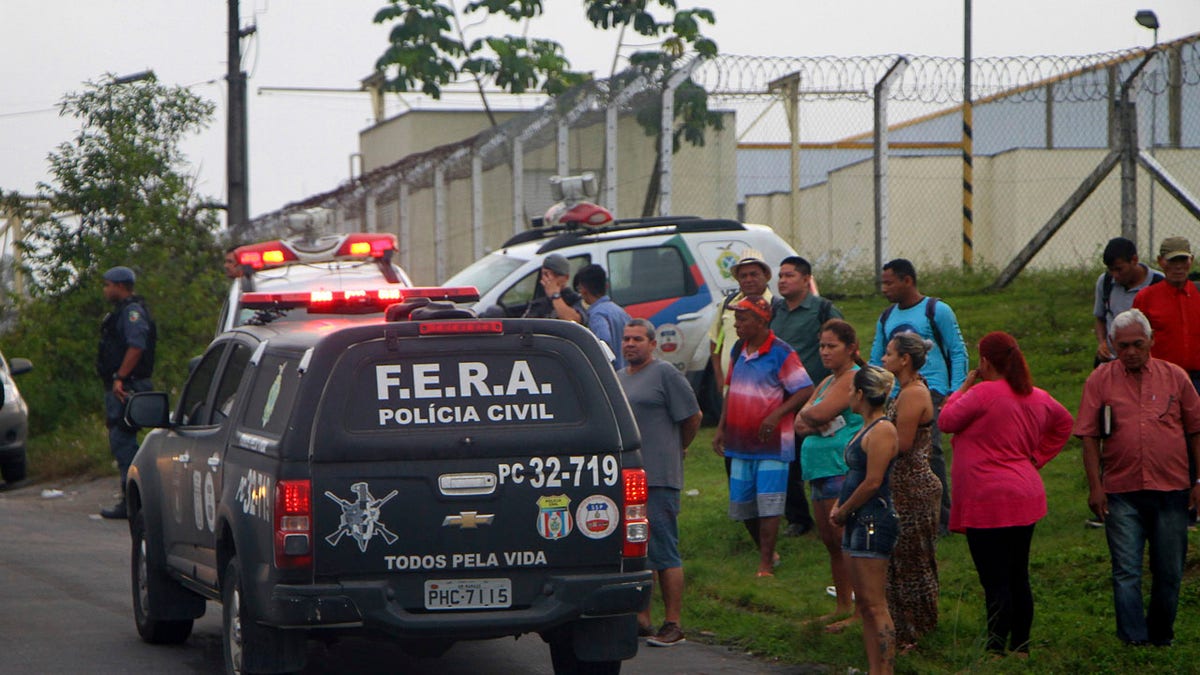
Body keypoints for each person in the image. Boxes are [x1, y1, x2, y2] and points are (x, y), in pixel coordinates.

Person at [938, 331, 1073, 656]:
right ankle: (1021, 645)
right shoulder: (1036, 395)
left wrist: (964, 387)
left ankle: (996, 645)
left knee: (994, 578)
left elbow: (945, 420)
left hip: (987, 498)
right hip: (1025, 495)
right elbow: (1065, 423)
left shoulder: (983, 393)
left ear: (984, 361)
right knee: (1017, 573)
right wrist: (1037, 457)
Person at [1074, 309, 1200, 647]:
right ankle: (1132, 640)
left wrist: (1198, 481)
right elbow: (1088, 435)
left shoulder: (1175, 377)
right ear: (1112, 344)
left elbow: (1196, 429)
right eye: (1123, 345)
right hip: (1121, 490)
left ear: (1151, 342)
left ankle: (1161, 636)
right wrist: (1096, 487)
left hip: (1172, 489)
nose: (1130, 352)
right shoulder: (1100, 380)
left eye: (1137, 344)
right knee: (1126, 570)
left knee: (1170, 571)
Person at [712, 295, 813, 577]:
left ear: (760, 320)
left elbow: (805, 390)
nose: (737, 324)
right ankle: (767, 552)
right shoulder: (737, 350)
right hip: (740, 441)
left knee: (769, 504)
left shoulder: (782, 352)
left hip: (771, 444)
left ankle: (766, 563)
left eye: (742, 319)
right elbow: (730, 390)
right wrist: (721, 428)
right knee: (742, 505)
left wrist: (776, 414)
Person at [618, 319, 703, 648]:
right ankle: (642, 618)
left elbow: (693, 416)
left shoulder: (665, 374)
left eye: (638, 339)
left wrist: (678, 449)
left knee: (664, 549)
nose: (630, 344)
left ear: (652, 344)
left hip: (660, 478)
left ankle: (674, 623)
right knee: (638, 549)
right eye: (626, 338)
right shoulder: (619, 378)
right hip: (630, 479)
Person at [869, 258, 968, 533]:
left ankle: (943, 519)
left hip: (932, 390)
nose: (884, 289)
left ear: (907, 281)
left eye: (889, 283)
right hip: (896, 394)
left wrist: (956, 392)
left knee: (930, 452)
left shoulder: (937, 310)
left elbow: (958, 350)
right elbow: (877, 356)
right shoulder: (887, 316)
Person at [829, 366, 900, 675]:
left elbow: (872, 481)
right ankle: (874, 669)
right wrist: (839, 505)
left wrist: (844, 510)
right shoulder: (864, 428)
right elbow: (854, 476)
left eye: (851, 391)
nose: (848, 397)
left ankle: (885, 669)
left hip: (873, 518)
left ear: (860, 394)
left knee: (874, 603)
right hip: (856, 518)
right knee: (866, 607)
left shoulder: (883, 430)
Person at [794, 319, 861, 625]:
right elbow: (798, 423)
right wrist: (813, 418)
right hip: (818, 469)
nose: (824, 352)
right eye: (821, 345)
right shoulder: (826, 382)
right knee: (831, 543)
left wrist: (814, 418)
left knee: (846, 540)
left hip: (840, 466)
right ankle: (843, 605)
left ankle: (861, 609)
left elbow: (814, 413)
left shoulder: (852, 378)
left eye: (831, 346)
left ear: (850, 348)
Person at [878, 331, 942, 651]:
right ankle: (902, 629)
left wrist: (870, 442)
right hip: (900, 487)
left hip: (913, 488)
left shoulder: (914, 393)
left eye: (889, 354)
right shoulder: (903, 390)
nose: (883, 359)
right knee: (898, 563)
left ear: (904, 359)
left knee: (913, 563)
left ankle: (919, 631)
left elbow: (901, 445)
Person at [773, 256, 842, 537]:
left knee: (815, 456)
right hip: (781, 399)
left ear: (805, 279)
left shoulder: (822, 309)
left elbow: (841, 343)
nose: (782, 281)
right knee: (787, 462)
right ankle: (798, 518)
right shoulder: (775, 311)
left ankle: (831, 510)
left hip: (815, 398)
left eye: (789, 275)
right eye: (780, 276)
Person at [95, 266, 157, 519]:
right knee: (121, 438)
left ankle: (133, 500)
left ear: (120, 286)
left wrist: (121, 377)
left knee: (123, 440)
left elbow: (136, 346)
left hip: (128, 385)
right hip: (123, 384)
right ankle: (132, 498)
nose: (105, 289)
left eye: (108, 284)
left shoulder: (132, 312)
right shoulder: (121, 312)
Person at [1132, 236, 1200, 393]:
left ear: (1191, 261)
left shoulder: (1197, 293)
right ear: (1160, 261)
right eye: (1172, 261)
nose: (1178, 267)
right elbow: (1135, 339)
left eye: (1183, 261)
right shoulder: (1146, 298)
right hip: (1161, 378)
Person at [708, 251, 773, 394]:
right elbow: (714, 341)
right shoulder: (728, 303)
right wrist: (719, 377)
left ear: (766, 276)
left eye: (754, 274)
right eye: (743, 276)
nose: (748, 279)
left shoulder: (774, 305)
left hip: (762, 390)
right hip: (729, 388)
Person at [1093, 237, 1162, 366]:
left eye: (1119, 269)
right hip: (1111, 361)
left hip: (1146, 363)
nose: (1115, 275)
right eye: (1111, 270)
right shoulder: (1105, 282)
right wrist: (1102, 343)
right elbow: (1100, 318)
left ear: (1134, 260)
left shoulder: (1158, 283)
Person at [574, 263, 631, 369]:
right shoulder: (620, 311)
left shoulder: (596, 314)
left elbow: (603, 343)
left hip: (614, 374)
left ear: (583, 289)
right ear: (606, 285)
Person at [522, 253, 586, 324]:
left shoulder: (575, 299)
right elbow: (524, 326)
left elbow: (574, 320)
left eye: (556, 275)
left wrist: (555, 295)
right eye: (546, 274)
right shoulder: (538, 301)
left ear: (566, 278)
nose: (551, 279)